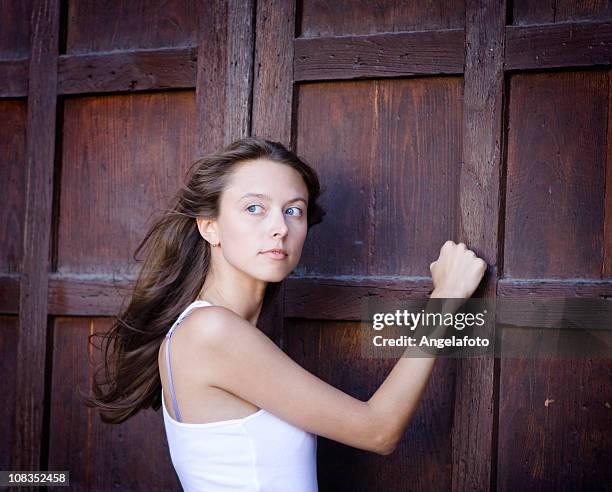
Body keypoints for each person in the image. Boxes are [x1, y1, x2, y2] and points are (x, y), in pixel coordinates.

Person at [83, 137, 487, 491]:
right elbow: (378, 430)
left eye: (294, 210)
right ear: (210, 227)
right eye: (255, 208)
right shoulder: (210, 331)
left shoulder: (215, 329)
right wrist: (447, 297)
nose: (279, 227)